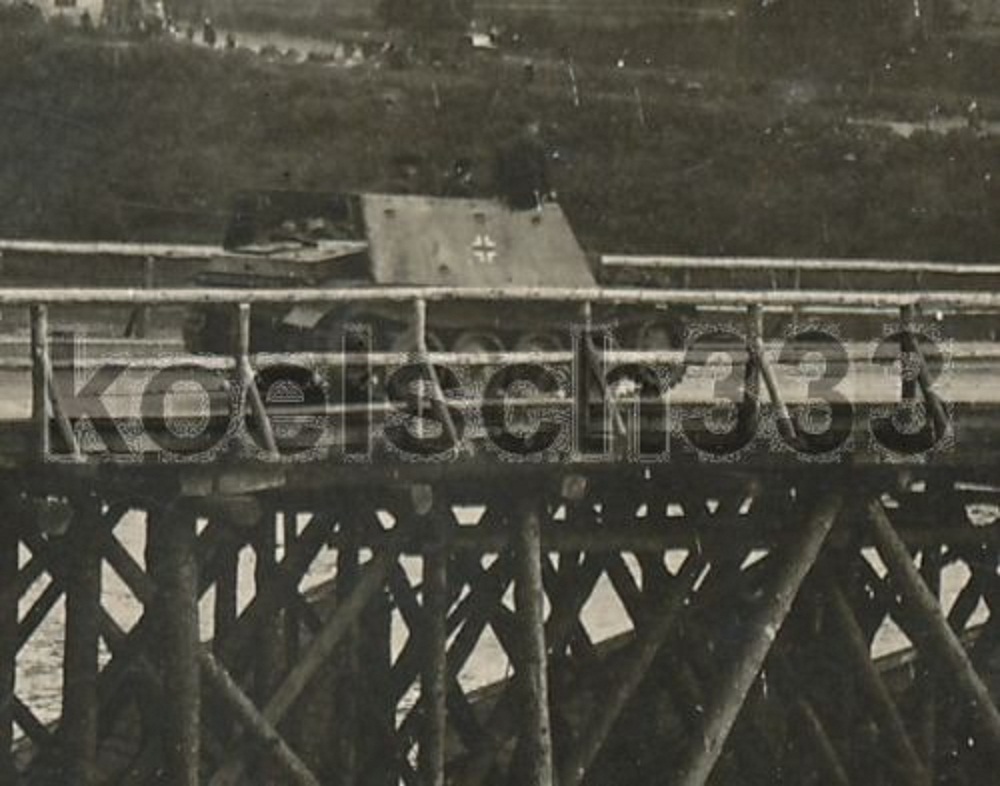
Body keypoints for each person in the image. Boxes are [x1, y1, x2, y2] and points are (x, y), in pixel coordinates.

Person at [493, 117, 551, 210]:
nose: (537, 130)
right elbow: (546, 172)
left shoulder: (503, 147)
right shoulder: (538, 146)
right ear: (530, 126)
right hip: (533, 194)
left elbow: (498, 174)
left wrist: (500, 194)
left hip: (511, 194)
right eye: (536, 126)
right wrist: (547, 191)